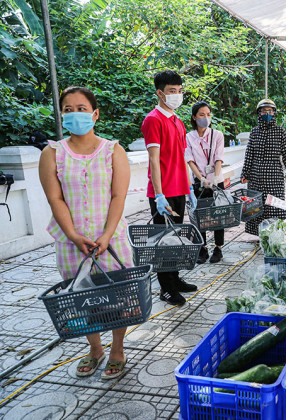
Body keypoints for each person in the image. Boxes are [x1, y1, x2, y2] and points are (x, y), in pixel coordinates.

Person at [39, 86, 133, 380]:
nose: (75, 114)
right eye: (68, 109)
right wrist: (72, 235)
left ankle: (117, 349)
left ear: (95, 114)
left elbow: (118, 196)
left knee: (119, 297)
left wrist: (106, 235)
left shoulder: (113, 150)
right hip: (71, 243)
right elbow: (55, 199)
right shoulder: (51, 153)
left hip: (111, 240)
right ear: (62, 115)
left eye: (81, 108)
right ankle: (95, 349)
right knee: (81, 298)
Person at [141, 70, 198, 306]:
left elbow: (182, 156)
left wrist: (190, 188)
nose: (177, 95)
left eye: (179, 91)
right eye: (172, 91)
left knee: (176, 238)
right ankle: (166, 288)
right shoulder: (153, 120)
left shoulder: (177, 121)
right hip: (162, 193)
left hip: (179, 189)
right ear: (160, 93)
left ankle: (175, 279)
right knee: (163, 240)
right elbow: (154, 160)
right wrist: (159, 194)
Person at [241, 99, 286, 235]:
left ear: (274, 113)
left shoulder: (280, 132)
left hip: (274, 177)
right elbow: (249, 154)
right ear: (259, 113)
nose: (267, 114)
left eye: (270, 111)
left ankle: (275, 235)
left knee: (274, 206)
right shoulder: (254, 132)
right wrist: (244, 173)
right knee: (256, 208)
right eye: (264, 111)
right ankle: (260, 237)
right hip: (255, 177)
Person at [185, 102, 225, 264]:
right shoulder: (188, 137)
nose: (206, 118)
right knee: (199, 216)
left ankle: (218, 248)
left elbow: (218, 157)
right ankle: (203, 248)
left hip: (216, 181)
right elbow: (190, 159)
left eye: (208, 114)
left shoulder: (217, 135)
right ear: (194, 117)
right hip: (198, 181)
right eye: (202, 115)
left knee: (219, 215)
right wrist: (201, 178)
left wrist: (214, 178)